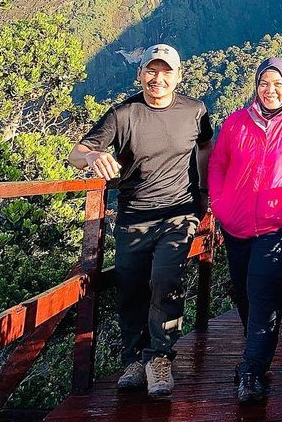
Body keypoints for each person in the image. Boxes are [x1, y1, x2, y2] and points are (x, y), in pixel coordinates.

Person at [69, 43, 212, 400]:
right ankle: (134, 359)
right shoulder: (123, 114)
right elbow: (76, 153)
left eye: (166, 72)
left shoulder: (195, 111)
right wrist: (94, 157)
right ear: (140, 73)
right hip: (134, 216)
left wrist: (204, 193)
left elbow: (205, 146)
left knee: (165, 279)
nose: (158, 78)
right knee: (130, 287)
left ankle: (159, 356)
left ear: (178, 77)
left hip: (179, 212)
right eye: (151, 70)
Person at [208, 57, 282, 404]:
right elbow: (218, 164)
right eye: (264, 83)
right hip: (237, 224)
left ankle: (251, 371)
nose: (270, 90)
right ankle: (256, 356)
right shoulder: (236, 123)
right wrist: (220, 203)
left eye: (277, 84)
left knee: (261, 289)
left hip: (281, 227)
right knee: (244, 292)